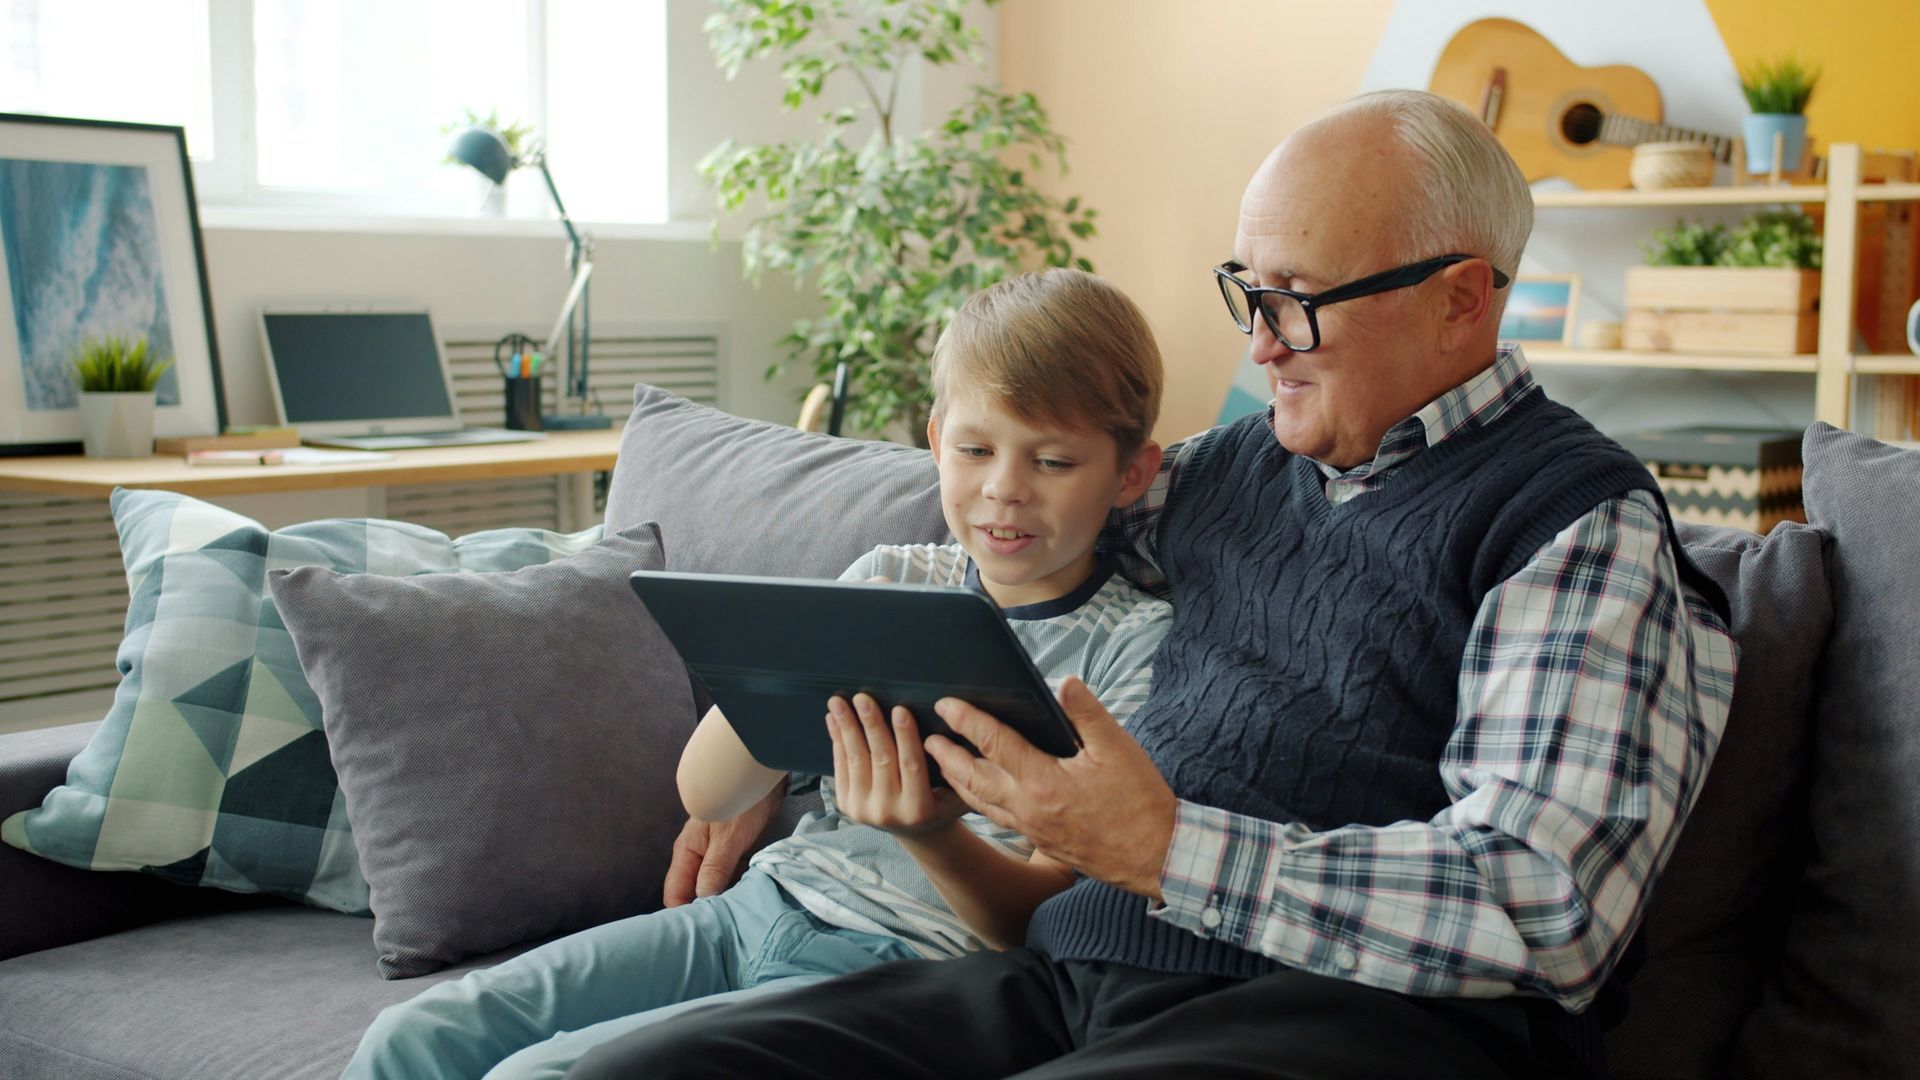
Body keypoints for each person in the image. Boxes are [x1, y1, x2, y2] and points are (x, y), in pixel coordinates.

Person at [567, 89, 1740, 1080]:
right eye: (1250, 292)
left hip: (1355, 1017)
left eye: (1300, 303)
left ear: (1461, 299)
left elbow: (1549, 909)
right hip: (1064, 969)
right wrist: (789, 732)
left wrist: (1170, 849)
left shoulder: (1574, 521)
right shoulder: (1220, 474)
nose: (1260, 346)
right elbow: (1017, 530)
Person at [341, 268, 1175, 1080]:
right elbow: (707, 795)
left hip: (896, 967)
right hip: (755, 909)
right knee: (416, 1037)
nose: (1004, 489)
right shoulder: (889, 576)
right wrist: (784, 672)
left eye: (1054, 463)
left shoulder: (1135, 647)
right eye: (975, 449)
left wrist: (929, 832)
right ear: (935, 442)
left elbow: (1038, 922)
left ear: (1130, 473)